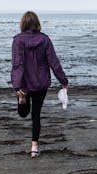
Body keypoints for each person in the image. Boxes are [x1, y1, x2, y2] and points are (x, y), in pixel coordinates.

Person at [11, 11, 68, 158]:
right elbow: (54, 62)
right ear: (37, 23)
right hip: (41, 83)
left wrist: (17, 86)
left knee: (23, 113)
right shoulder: (45, 40)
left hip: (24, 83)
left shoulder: (18, 40)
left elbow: (17, 64)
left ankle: (21, 99)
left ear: (22, 23)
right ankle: (34, 147)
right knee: (36, 115)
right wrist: (63, 81)